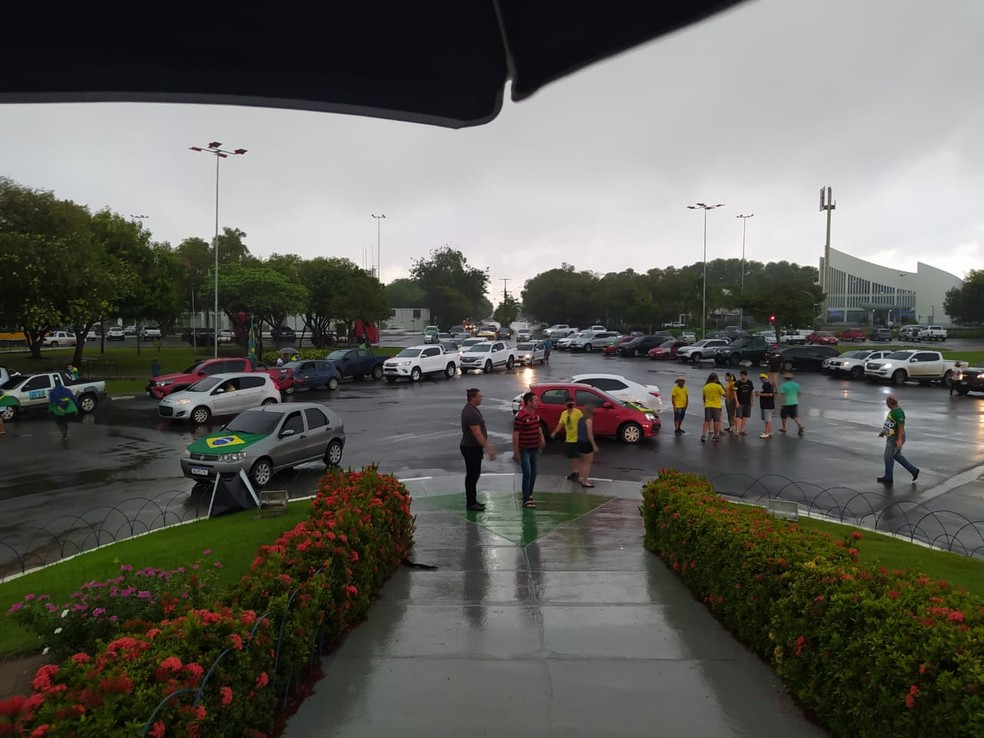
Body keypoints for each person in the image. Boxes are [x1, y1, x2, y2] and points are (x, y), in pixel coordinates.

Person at [461, 387, 496, 511]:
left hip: (473, 448)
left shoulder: (472, 410)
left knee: (474, 475)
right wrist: (488, 448)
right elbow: (477, 433)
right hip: (471, 448)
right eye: (480, 396)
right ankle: (471, 503)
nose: (481, 398)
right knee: (472, 475)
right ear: (473, 397)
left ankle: (473, 500)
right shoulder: (470, 412)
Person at [512, 391, 545, 508]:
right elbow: (516, 434)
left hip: (534, 448)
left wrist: (541, 438)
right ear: (529, 402)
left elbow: (538, 427)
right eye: (535, 400)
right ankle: (525, 499)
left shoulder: (535, 414)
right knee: (528, 473)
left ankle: (529, 494)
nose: (537, 402)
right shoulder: (521, 416)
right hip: (524, 449)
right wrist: (516, 452)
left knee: (534, 473)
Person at [878, 395, 920, 485]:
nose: (886, 405)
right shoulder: (893, 411)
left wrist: (899, 439)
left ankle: (888, 477)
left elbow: (901, 427)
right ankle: (914, 470)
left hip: (895, 438)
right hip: (891, 437)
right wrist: (883, 432)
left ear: (890, 404)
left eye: (887, 403)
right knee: (897, 456)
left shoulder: (898, 413)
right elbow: (889, 424)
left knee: (888, 457)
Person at [552, 399, 583, 480]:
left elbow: (583, 423)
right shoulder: (564, 414)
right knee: (572, 456)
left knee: (576, 456)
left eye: (571, 403)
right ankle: (574, 472)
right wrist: (554, 432)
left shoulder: (578, 412)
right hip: (569, 438)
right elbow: (560, 424)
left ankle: (577, 472)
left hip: (577, 438)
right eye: (568, 403)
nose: (570, 405)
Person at [577, 404, 600, 487]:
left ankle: (580, 477)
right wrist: (594, 445)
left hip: (579, 441)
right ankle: (585, 481)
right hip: (586, 443)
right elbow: (589, 434)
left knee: (582, 462)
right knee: (587, 463)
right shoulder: (589, 420)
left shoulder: (580, 419)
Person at [701, 372, 725, 443]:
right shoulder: (718, 386)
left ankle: (703, 434)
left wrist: (705, 403)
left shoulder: (705, 387)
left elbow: (704, 397)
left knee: (707, 421)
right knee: (716, 421)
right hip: (716, 406)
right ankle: (715, 436)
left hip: (708, 406)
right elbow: (724, 394)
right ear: (715, 379)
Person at [734, 369, 755, 435]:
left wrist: (752, 401)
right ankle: (737, 430)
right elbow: (734, 393)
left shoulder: (750, 382)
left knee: (745, 416)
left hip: (747, 402)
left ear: (746, 376)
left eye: (742, 375)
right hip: (740, 402)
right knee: (738, 416)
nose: (741, 377)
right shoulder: (737, 383)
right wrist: (737, 402)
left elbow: (751, 392)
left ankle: (742, 430)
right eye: (740, 375)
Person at [755, 372, 775, 438]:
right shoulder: (764, 385)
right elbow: (764, 392)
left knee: (767, 419)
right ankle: (768, 430)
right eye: (760, 378)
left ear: (766, 378)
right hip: (764, 404)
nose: (761, 379)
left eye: (763, 378)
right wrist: (759, 393)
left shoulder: (768, 385)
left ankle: (766, 432)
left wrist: (760, 394)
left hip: (768, 405)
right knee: (767, 419)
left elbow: (770, 394)